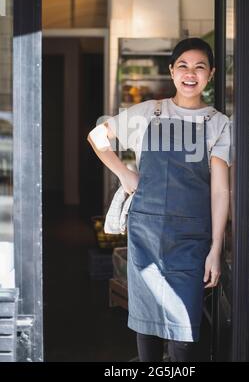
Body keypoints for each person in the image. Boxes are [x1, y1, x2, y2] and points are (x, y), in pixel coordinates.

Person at [87, 37, 231, 362]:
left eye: (199, 67)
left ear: (210, 74)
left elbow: (221, 190)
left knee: (184, 330)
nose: (190, 73)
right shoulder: (148, 112)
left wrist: (215, 248)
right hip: (145, 234)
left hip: (192, 239)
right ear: (171, 71)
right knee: (147, 326)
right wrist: (124, 173)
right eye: (183, 65)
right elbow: (97, 137)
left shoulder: (219, 124)